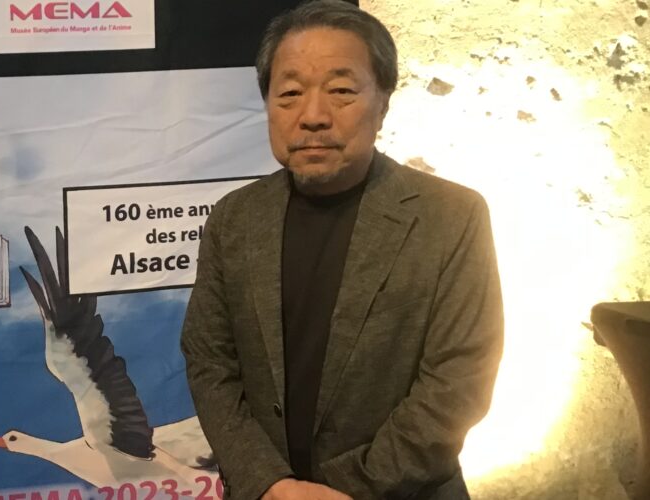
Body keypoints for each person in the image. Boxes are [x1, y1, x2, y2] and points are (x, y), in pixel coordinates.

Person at [179, 1, 504, 499]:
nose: (313, 117)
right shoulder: (234, 219)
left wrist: (338, 490)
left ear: (383, 103)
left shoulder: (450, 216)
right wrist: (271, 484)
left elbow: (459, 378)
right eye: (290, 94)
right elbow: (209, 363)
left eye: (341, 91)